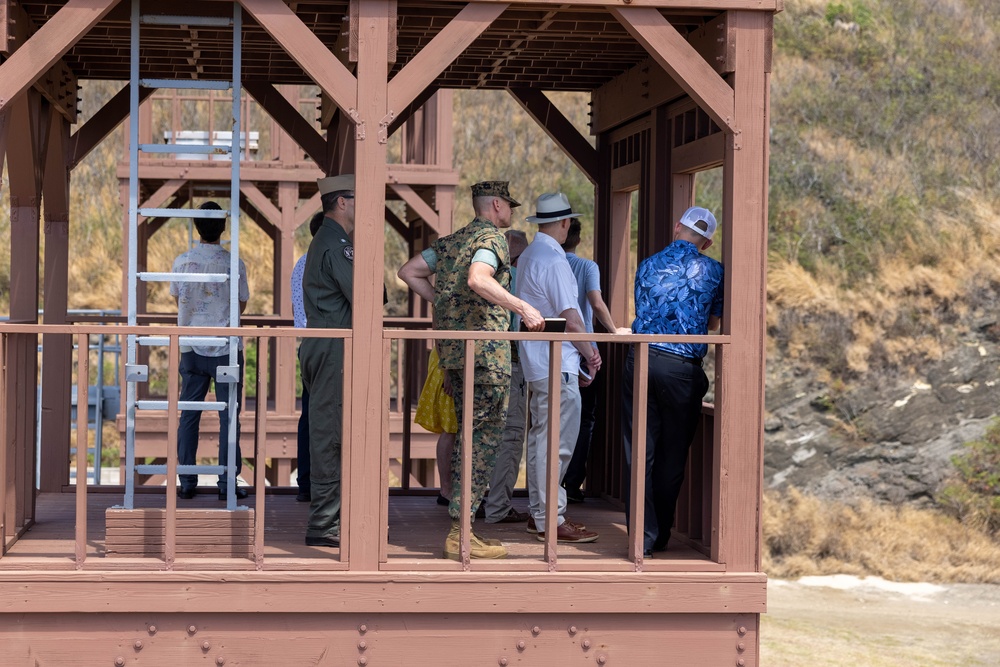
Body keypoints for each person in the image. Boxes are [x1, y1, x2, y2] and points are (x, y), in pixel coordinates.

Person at [397, 180, 544, 560]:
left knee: (466, 438)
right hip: (487, 359)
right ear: (495, 204)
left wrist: (443, 303)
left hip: (454, 358)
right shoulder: (492, 240)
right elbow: (478, 278)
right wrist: (522, 308)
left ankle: (462, 530)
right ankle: (462, 534)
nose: (510, 211)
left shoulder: (448, 244)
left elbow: (409, 271)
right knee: (481, 444)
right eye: (508, 205)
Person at [623, 206, 723, 559]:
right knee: (673, 453)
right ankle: (660, 533)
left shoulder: (648, 264)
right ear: (707, 242)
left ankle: (641, 537)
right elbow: (712, 323)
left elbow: (642, 309)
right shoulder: (713, 270)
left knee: (640, 451)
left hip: (641, 359)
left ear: (677, 226)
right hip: (682, 367)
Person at [517, 192, 601, 543]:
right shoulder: (554, 260)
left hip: (536, 362)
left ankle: (541, 515)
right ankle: (552, 519)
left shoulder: (529, 255)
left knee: (541, 442)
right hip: (556, 363)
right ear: (565, 223)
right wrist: (591, 354)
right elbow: (571, 318)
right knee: (558, 445)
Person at [171, 201, 250, 501]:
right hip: (225, 348)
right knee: (229, 417)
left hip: (191, 346)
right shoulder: (234, 264)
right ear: (223, 228)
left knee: (189, 415)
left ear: (196, 228)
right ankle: (226, 482)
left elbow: (177, 299)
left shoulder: (182, 262)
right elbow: (241, 303)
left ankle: (187, 480)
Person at [300, 174, 356, 548]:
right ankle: (324, 521)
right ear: (342, 202)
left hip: (328, 342)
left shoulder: (332, 240)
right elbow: (368, 292)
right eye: (358, 197)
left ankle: (330, 516)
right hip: (333, 345)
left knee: (331, 427)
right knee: (330, 431)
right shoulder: (336, 243)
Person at [560, 218, 631, 504]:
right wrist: (614, 330)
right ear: (577, 238)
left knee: (549, 420)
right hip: (583, 351)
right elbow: (596, 302)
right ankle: (572, 483)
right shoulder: (586, 266)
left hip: (550, 351)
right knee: (584, 419)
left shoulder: (546, 263)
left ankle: (550, 486)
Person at [483, 229, 531, 525]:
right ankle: (498, 506)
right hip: (511, 363)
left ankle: (472, 503)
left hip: (480, 363)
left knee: (481, 435)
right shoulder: (516, 278)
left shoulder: (486, 280)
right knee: (511, 436)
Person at [291, 211, 325, 503]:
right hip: (327, 344)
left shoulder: (300, 263)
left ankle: (305, 482)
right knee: (327, 414)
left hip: (306, 344)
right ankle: (323, 483)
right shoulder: (326, 261)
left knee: (308, 415)